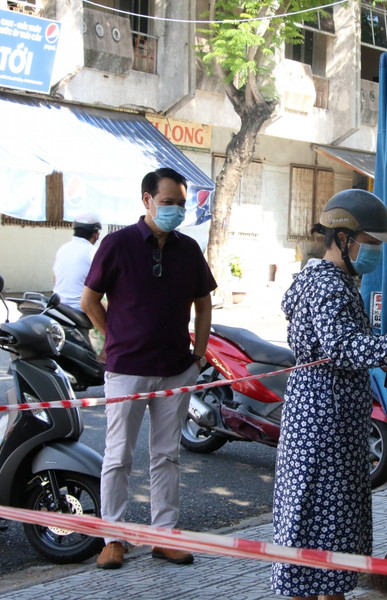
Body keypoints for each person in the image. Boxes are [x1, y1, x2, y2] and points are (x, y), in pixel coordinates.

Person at [271, 189, 387, 600]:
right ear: (341, 239)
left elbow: (341, 342)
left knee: (318, 524)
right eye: (368, 243)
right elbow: (345, 348)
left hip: (321, 419)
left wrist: (385, 351)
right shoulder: (330, 286)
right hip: (324, 427)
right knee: (326, 526)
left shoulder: (320, 277)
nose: (374, 252)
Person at [81, 167, 217, 570]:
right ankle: (113, 538)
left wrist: (199, 356)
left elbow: (204, 302)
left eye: (181, 203)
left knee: (166, 455)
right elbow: (90, 301)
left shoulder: (188, 249)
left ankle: (164, 536)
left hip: (177, 368)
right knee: (118, 455)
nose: (176, 209)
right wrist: (113, 339)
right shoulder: (117, 244)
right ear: (147, 200)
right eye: (168, 202)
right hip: (127, 370)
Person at [53, 212, 101, 307]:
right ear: (95, 234)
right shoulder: (94, 252)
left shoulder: (63, 248)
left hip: (58, 305)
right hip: (80, 308)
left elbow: (55, 278)